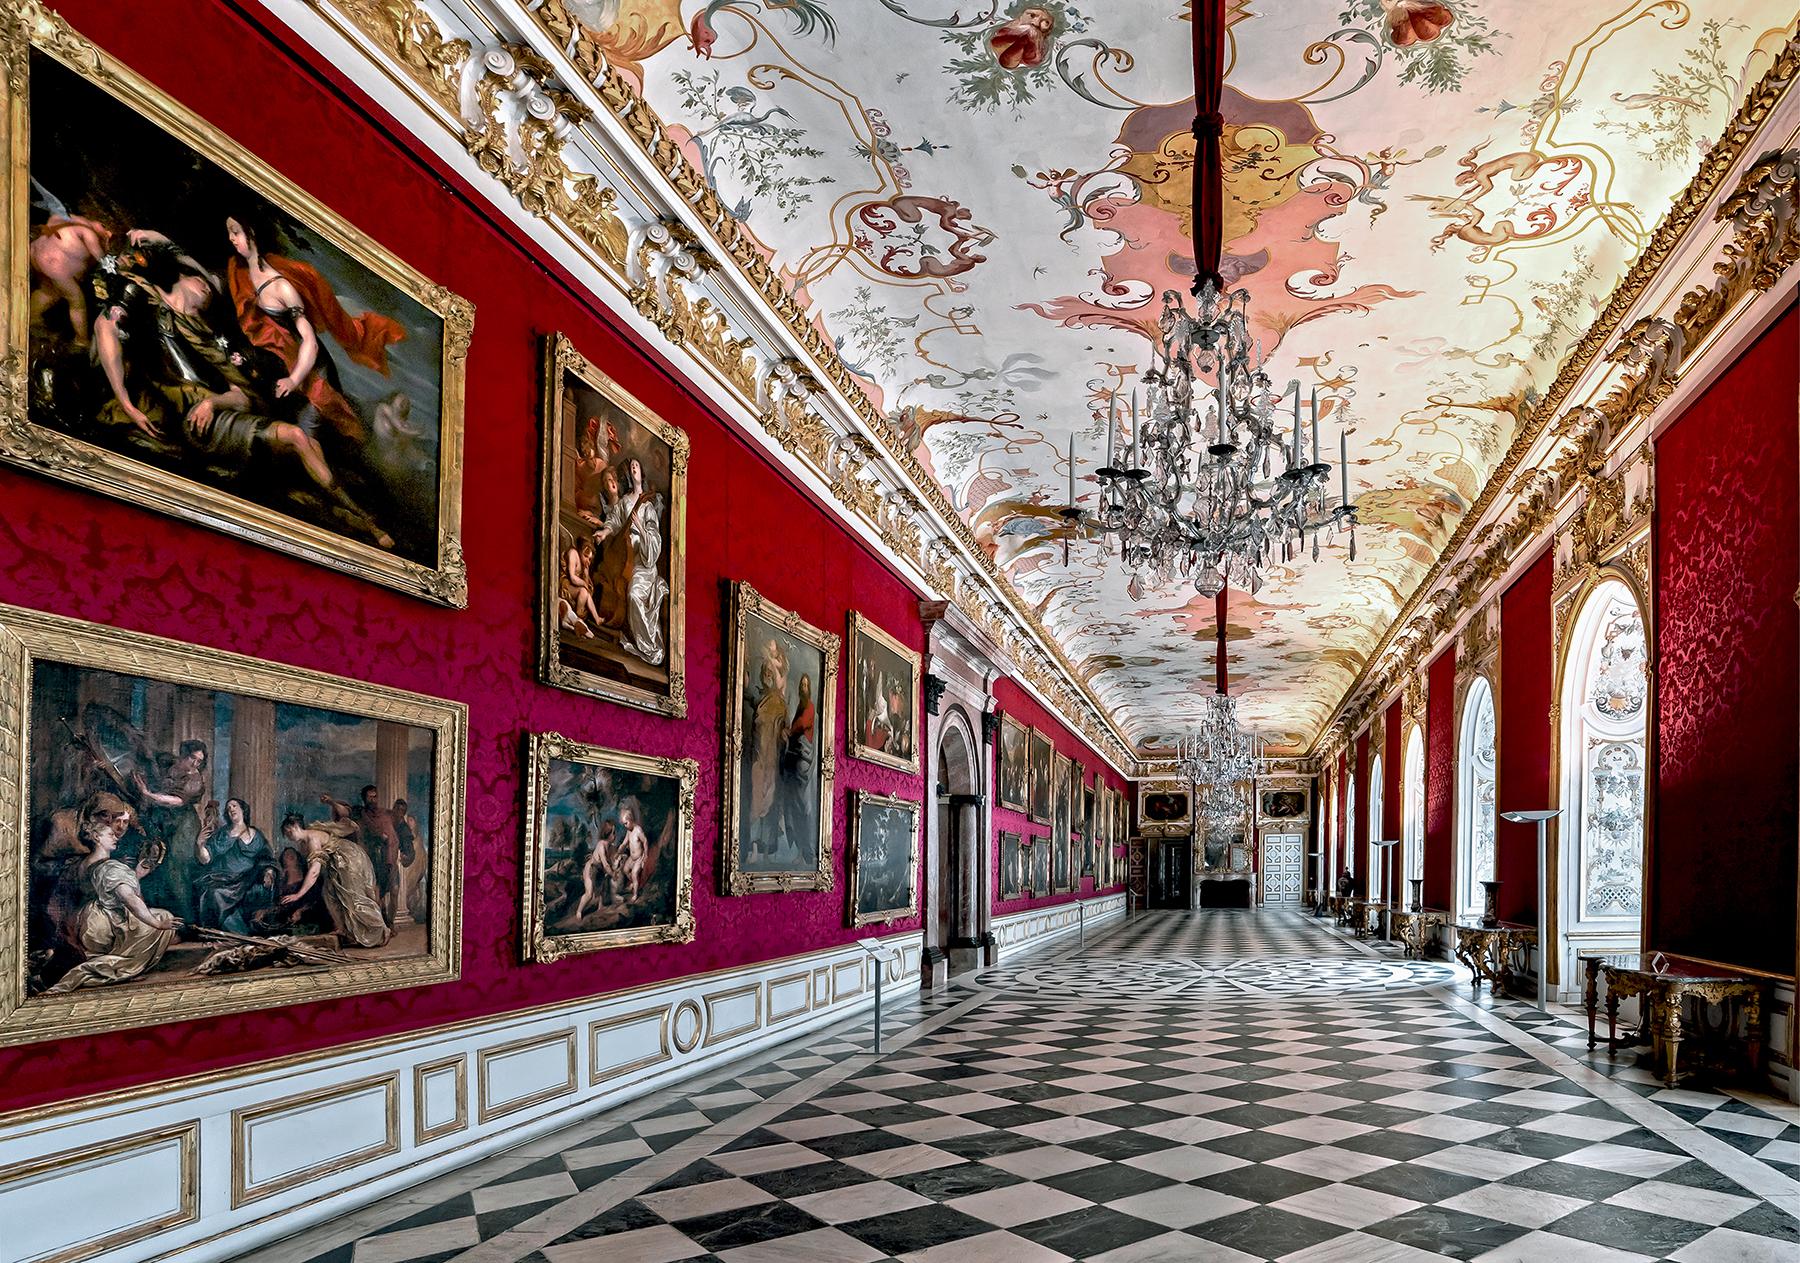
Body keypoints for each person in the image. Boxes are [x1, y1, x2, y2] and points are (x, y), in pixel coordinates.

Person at [90, 231, 393, 548]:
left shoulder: (203, 330)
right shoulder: (153, 308)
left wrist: (217, 401)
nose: (206, 292)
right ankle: (370, 525)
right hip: (198, 420)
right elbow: (106, 327)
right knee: (298, 438)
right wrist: (127, 403)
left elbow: (239, 395)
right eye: (201, 290)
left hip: (222, 409)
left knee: (310, 448)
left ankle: (356, 517)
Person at [223, 207, 406, 444]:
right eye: (229, 232)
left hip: (311, 369)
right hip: (283, 363)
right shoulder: (239, 271)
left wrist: (295, 379)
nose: (231, 238)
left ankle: (373, 435)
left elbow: (309, 341)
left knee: (318, 428)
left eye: (235, 232)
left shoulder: (282, 287)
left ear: (252, 232)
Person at [43, 816, 177, 993]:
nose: (115, 837)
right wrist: (157, 924)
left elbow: (105, 891)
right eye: (110, 834)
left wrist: (136, 875)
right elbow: (128, 898)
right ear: (96, 837)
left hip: (84, 922)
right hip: (104, 926)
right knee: (164, 916)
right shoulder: (110, 867)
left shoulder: (82, 863)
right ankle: (124, 966)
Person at [277, 814, 389, 948]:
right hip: (336, 864)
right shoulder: (305, 841)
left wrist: (298, 894)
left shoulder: (312, 838)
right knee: (329, 895)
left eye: (287, 833)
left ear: (294, 826)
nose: (288, 837)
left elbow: (314, 871)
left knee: (354, 899)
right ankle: (344, 930)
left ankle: (382, 929)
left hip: (348, 861)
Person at [132, 738, 209, 924]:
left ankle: (187, 923)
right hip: (164, 823)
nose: (195, 763)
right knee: (158, 868)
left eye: (199, 761)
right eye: (192, 758)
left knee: (177, 869)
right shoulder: (170, 765)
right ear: (184, 754)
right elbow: (148, 758)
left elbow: (177, 801)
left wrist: (148, 795)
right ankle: (161, 919)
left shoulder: (195, 779)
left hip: (184, 827)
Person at [192, 797, 278, 935]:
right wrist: (200, 844)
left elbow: (266, 857)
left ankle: (240, 934)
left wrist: (268, 871)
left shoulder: (256, 835)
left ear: (243, 809)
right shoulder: (222, 834)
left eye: (234, 806)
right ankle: (239, 935)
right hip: (222, 879)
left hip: (247, 879)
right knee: (214, 893)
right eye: (228, 808)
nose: (231, 809)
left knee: (260, 891)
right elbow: (206, 859)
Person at [320, 786, 402, 927]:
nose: (373, 800)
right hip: (371, 860)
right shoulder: (360, 813)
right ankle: (381, 925)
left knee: (394, 891)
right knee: (376, 895)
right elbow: (345, 812)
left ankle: (391, 922)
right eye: (370, 797)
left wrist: (404, 849)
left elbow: (401, 830)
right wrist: (332, 802)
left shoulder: (387, 814)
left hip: (388, 859)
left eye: (375, 796)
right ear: (364, 798)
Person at [618, 458, 669, 666]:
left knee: (633, 595)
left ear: (642, 473)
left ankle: (647, 646)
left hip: (643, 564)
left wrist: (639, 527)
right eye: (631, 467)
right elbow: (614, 522)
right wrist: (604, 530)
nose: (634, 468)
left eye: (637, 466)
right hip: (625, 555)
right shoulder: (624, 502)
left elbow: (654, 539)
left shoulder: (647, 506)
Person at [747, 636, 789, 862]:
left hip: (772, 760)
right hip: (757, 758)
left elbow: (786, 732)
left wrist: (785, 737)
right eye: (765, 672)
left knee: (770, 801)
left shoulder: (779, 703)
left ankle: (766, 849)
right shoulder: (760, 699)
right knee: (756, 800)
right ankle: (753, 847)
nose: (767, 676)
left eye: (770, 673)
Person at [780, 672, 817, 859]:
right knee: (793, 803)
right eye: (801, 685)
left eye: (805, 685)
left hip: (802, 760)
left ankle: (805, 848)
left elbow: (802, 724)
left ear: (809, 688)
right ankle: (800, 848)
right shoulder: (800, 707)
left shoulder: (809, 707)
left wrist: (789, 730)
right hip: (795, 758)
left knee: (802, 805)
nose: (803, 688)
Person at [617, 798, 651, 902]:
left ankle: (635, 894)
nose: (625, 825)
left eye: (626, 823)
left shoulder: (638, 830)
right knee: (625, 870)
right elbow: (624, 843)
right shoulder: (629, 831)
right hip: (632, 858)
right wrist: (619, 850)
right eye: (623, 824)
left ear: (631, 820)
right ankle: (633, 883)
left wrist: (645, 855)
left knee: (634, 873)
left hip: (638, 858)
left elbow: (645, 841)